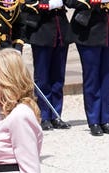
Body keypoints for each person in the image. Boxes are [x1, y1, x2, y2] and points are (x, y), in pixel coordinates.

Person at [64, 0, 109, 136]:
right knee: (92, 77)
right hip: (89, 29)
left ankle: (106, 119)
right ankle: (94, 121)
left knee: (108, 76)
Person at [21, 0, 73, 131]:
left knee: (58, 77)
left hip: (60, 28)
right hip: (41, 29)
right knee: (42, 78)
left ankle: (56, 115)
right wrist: (45, 4)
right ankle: (43, 116)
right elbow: (26, 4)